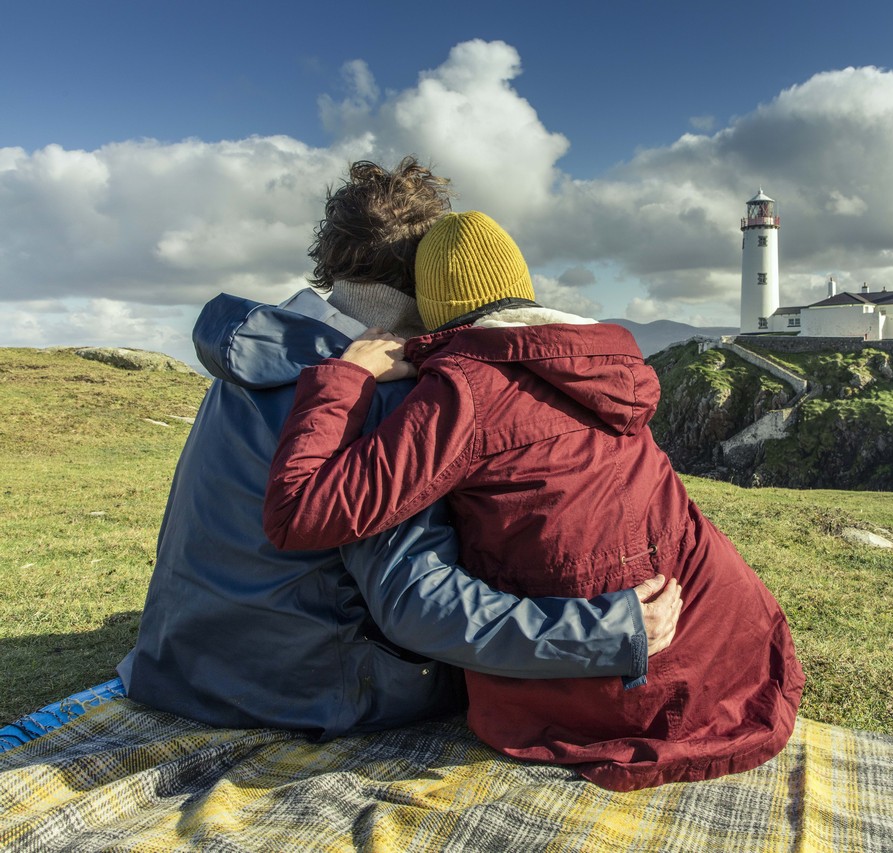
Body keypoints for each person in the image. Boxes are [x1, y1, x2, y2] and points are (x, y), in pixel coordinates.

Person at [119, 160, 681, 739]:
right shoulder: (379, 392)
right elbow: (416, 600)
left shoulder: (261, 354)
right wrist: (602, 632)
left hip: (182, 662)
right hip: (307, 693)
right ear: (431, 282)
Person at [262, 211, 805, 790]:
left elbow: (301, 513)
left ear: (435, 308)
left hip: (628, 687)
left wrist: (345, 375)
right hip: (730, 640)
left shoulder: (464, 391)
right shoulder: (606, 360)